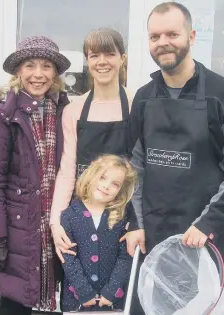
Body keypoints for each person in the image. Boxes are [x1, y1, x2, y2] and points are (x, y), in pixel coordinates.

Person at [124, 2, 224, 314]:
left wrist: (208, 223)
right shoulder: (144, 99)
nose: (163, 42)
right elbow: (133, 167)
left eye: (172, 33)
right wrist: (135, 222)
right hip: (154, 238)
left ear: (192, 36)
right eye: (155, 36)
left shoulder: (223, 96)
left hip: (206, 238)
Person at [0, 36, 71, 315]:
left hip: (55, 225)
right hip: (19, 230)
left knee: (50, 299)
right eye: (30, 65)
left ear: (55, 73)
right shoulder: (2, 115)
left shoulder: (65, 112)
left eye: (46, 66)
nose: (38, 74)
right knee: (16, 301)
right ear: (19, 71)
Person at [50, 28, 134, 262]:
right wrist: (56, 221)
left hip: (123, 221)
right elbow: (67, 171)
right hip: (83, 220)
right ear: (88, 61)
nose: (102, 62)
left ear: (122, 58)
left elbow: (143, 168)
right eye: (95, 55)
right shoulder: (73, 110)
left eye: (109, 54)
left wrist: (139, 223)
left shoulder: (137, 105)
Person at [60, 155, 137, 312]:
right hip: (77, 301)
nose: (106, 186)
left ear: (121, 190)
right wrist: (83, 290)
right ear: (91, 175)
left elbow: (125, 257)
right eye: (103, 178)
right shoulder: (69, 214)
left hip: (111, 303)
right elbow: (68, 257)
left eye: (115, 184)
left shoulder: (121, 218)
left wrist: (111, 292)